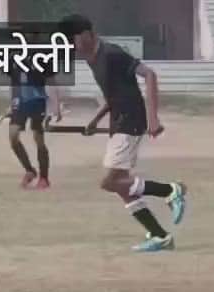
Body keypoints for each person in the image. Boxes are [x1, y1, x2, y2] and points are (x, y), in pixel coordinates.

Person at [59, 14, 187, 253]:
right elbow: (113, 95)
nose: (70, 45)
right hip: (119, 121)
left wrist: (153, 117)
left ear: (87, 34)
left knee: (110, 182)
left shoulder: (112, 54)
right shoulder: (92, 59)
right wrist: (95, 120)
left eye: (72, 39)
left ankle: (170, 190)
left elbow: (149, 75)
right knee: (121, 186)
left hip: (131, 120)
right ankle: (160, 236)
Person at [6, 48, 59, 190]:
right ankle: (30, 170)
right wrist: (11, 102)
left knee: (38, 138)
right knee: (13, 136)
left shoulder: (44, 55)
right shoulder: (13, 55)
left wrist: (56, 107)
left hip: (38, 101)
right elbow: (13, 81)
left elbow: (51, 81)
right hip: (20, 101)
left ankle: (44, 178)